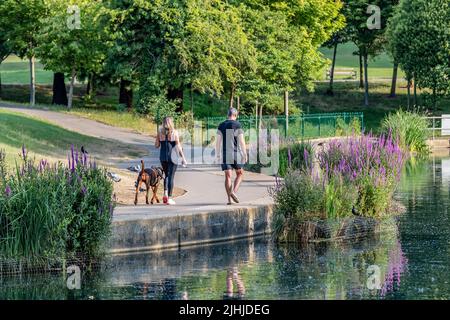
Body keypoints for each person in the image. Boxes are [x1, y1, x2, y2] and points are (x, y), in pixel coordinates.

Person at [216, 108, 247, 205]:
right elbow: (241, 141)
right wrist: (244, 153)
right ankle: (234, 192)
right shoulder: (237, 124)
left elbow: (218, 142)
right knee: (240, 173)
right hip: (235, 153)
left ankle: (229, 200)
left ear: (228, 114)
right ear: (236, 115)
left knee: (228, 176)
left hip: (225, 153)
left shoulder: (221, 125)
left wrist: (218, 154)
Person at [155, 116, 187, 205]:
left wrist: (159, 139)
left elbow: (156, 145)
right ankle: (169, 198)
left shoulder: (160, 132)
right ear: (171, 123)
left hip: (163, 157)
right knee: (171, 177)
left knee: (166, 175)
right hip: (173, 157)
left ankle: (165, 193)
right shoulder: (174, 132)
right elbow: (178, 147)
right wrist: (183, 158)